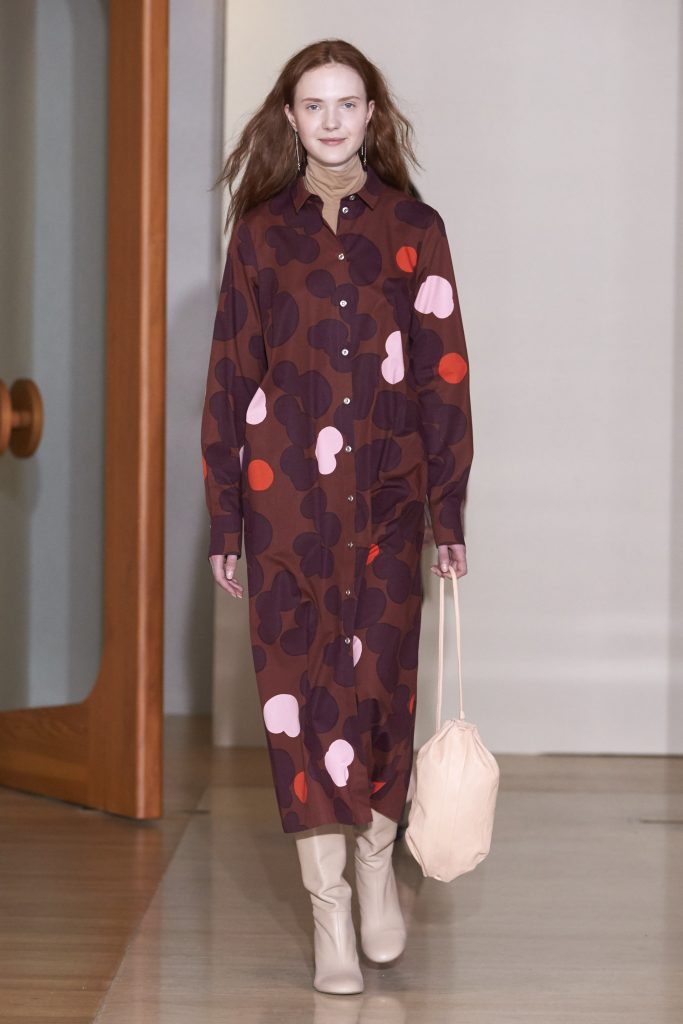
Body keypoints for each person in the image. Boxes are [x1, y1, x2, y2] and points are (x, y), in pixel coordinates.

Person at [200, 39, 473, 995]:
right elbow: (230, 379)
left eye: (346, 104)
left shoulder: (415, 229)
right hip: (285, 510)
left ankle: (375, 868)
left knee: (383, 694)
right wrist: (224, 518)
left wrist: (448, 513)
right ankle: (327, 912)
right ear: (289, 117)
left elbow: (444, 377)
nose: (329, 121)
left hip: (390, 503)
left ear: (371, 115)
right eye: (312, 105)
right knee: (300, 699)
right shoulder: (260, 237)